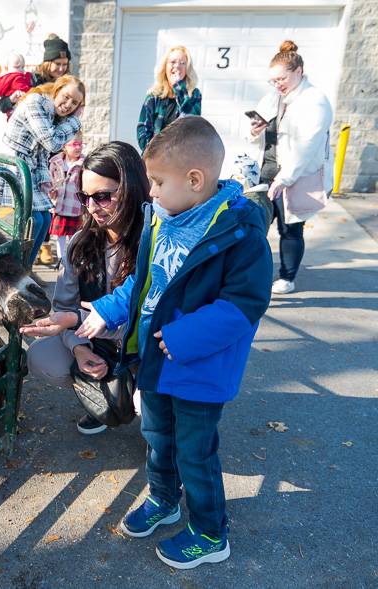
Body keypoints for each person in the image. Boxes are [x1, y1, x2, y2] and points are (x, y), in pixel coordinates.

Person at [25, 116, 272, 569]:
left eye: (157, 182)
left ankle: (210, 531)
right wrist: (101, 312)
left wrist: (181, 337)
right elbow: (142, 285)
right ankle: (164, 500)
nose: (151, 192)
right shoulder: (162, 221)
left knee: (195, 451)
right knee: (158, 438)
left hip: (197, 366)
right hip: (159, 359)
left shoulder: (240, 233)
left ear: (194, 180)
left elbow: (244, 305)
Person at [21, 141, 149, 434]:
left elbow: (147, 318)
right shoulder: (80, 242)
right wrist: (79, 350)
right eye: (85, 196)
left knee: (154, 409)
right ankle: (98, 396)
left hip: (144, 346)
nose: (91, 208)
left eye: (103, 197)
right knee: (42, 356)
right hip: (99, 341)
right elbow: (64, 307)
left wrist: (78, 323)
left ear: (131, 188)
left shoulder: (153, 242)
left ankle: (155, 417)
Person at [248, 40, 333, 295]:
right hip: (267, 171)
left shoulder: (315, 102)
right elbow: (257, 130)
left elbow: (306, 148)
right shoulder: (274, 97)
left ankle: (287, 277)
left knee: (290, 228)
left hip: (295, 175)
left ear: (299, 72)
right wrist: (254, 131)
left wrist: (284, 178)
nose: (277, 85)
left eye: (281, 79)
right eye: (273, 81)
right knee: (255, 225)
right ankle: (250, 274)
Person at [0, 75, 85, 266]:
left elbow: (42, 152)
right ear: (57, 89)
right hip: (15, 165)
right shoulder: (36, 102)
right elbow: (52, 143)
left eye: (74, 103)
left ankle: (26, 269)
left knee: (46, 219)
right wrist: (75, 122)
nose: (68, 105)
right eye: (66, 97)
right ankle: (17, 269)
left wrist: (44, 180)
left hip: (30, 167)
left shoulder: (54, 114)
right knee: (34, 221)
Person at [137, 45, 202, 152]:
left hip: (182, 158)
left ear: (187, 69)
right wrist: (154, 154)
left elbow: (192, 124)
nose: (177, 66)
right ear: (165, 67)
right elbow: (142, 130)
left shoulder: (194, 94)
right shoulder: (153, 96)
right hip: (155, 158)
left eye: (182, 63)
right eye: (173, 62)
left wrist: (179, 87)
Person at [0, 34, 71, 118]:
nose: (61, 68)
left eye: (65, 64)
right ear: (47, 63)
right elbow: (2, 105)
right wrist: (11, 100)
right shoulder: (33, 79)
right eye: (57, 64)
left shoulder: (68, 83)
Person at [47, 130, 85, 262]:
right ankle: (60, 259)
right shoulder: (56, 162)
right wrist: (51, 193)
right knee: (60, 235)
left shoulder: (83, 164)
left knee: (74, 236)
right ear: (64, 146)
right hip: (59, 205)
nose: (78, 147)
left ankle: (72, 258)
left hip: (75, 205)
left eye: (80, 144)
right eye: (74, 144)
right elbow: (50, 180)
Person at [0, 52, 34, 120]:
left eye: (22, 67)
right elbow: (25, 90)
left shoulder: (5, 79)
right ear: (7, 67)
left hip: (11, 112)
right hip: (20, 109)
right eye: (17, 67)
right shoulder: (17, 77)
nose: (21, 70)